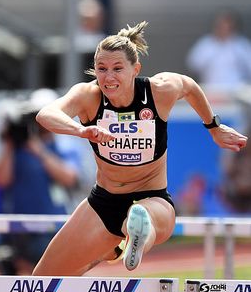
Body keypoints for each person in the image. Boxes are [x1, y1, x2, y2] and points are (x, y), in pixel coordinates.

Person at [32, 21, 247, 276]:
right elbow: (46, 114)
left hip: (153, 198)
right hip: (104, 202)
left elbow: (188, 85)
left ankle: (135, 235)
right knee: (43, 279)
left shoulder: (158, 91)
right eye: (101, 69)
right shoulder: (88, 96)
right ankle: (119, 244)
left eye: (117, 69)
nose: (108, 77)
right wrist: (81, 130)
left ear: (136, 69)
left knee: (141, 216)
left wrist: (214, 127)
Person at [0, 89, 79, 274]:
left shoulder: (63, 144)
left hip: (51, 224)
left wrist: (39, 151)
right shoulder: (17, 147)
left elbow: (69, 177)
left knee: (51, 274)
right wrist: (10, 142)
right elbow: (1, 180)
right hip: (17, 223)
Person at [186, 10, 251, 92]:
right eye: (221, 26)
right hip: (211, 91)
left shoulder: (242, 45)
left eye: (228, 27)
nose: (224, 30)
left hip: (236, 91)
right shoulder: (206, 44)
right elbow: (193, 65)